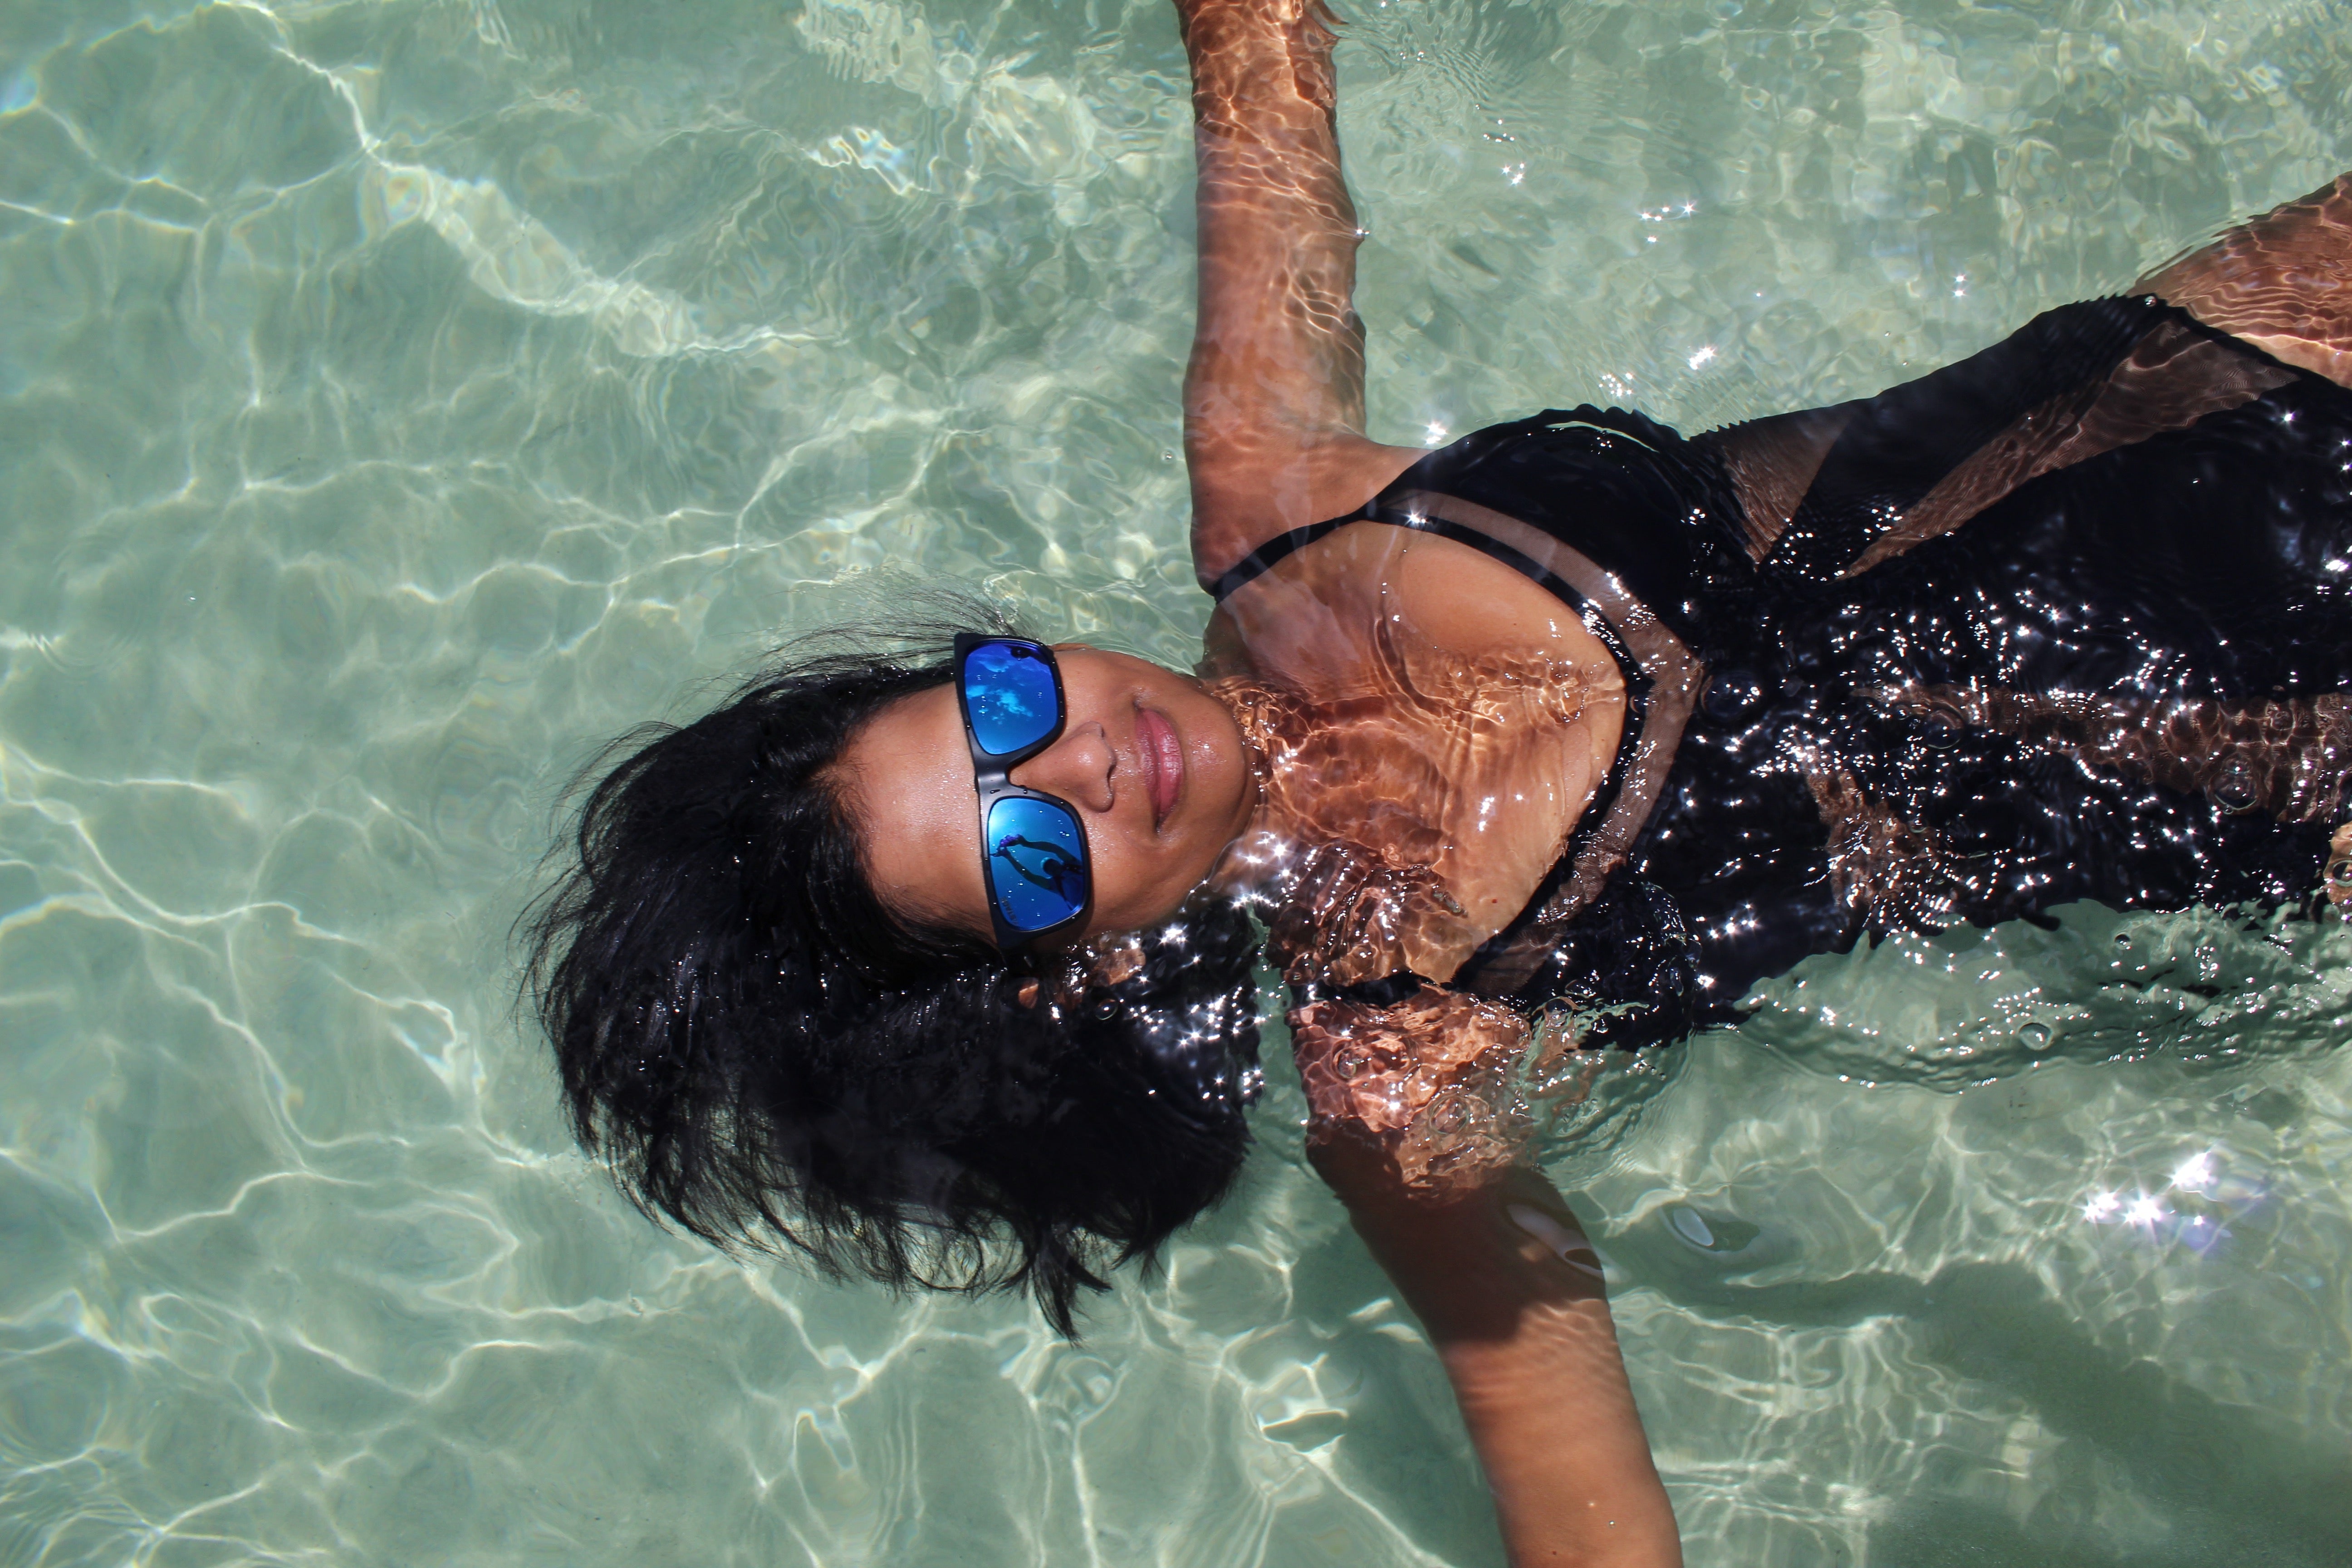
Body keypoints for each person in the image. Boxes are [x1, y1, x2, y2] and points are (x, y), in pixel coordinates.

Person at [525, 0, 2352, 1560]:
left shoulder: (1275, 498)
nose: (1079, 755)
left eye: (999, 705)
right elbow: (1581, 1508)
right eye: (1027, 845)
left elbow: (1257, 46)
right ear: (1069, 970)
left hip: (2255, 356)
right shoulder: (1405, 1069)